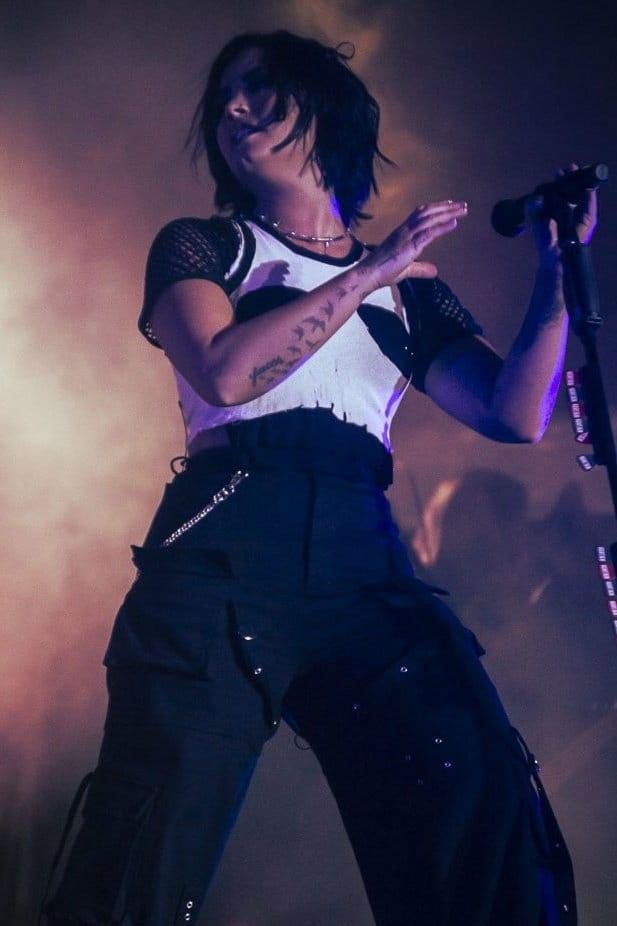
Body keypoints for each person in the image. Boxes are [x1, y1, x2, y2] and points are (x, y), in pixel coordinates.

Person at [42, 29, 596, 926]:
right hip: (224, 543)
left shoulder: (410, 291)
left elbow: (513, 412)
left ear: (322, 106)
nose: (230, 111)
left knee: (474, 785)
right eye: (222, 97)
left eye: (257, 88)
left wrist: (555, 275)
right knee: (147, 841)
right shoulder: (203, 247)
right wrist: (370, 268)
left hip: (361, 556)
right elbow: (224, 372)